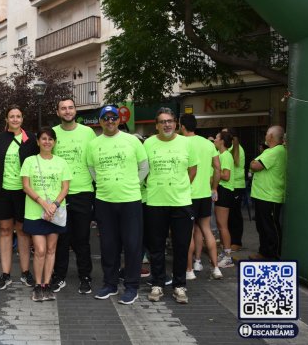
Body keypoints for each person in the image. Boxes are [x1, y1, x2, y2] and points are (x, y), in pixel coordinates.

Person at [87, 105, 148, 303]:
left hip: (130, 200)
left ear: (119, 120)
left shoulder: (132, 140)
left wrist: (132, 183)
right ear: (101, 121)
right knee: (108, 245)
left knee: (132, 245)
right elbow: (92, 169)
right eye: (106, 118)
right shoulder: (93, 144)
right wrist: (106, 184)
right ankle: (110, 284)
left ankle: (131, 286)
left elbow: (144, 166)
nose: (110, 121)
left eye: (114, 118)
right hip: (104, 200)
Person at [145, 107, 197, 304]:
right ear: (156, 125)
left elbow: (193, 170)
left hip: (181, 202)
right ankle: (157, 284)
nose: (166, 124)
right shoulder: (148, 144)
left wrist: (179, 188)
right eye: (162, 121)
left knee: (181, 246)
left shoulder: (186, 143)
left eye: (170, 121)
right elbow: (144, 170)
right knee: (156, 246)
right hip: (155, 201)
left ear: (175, 123)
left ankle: (179, 286)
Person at [0, 105, 38, 290]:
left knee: (24, 231)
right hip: (2, 192)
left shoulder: (30, 139)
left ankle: (25, 273)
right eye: (12, 116)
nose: (15, 119)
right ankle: (6, 274)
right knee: (5, 230)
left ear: (22, 119)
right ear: (7, 119)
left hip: (24, 192)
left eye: (18, 116)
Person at [50, 98, 96, 295]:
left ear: (75, 110)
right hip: (58, 195)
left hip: (83, 191)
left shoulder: (88, 133)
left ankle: (85, 276)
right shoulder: (52, 133)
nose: (67, 111)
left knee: (82, 239)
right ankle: (59, 276)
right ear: (58, 112)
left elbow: (95, 160)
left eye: (70, 108)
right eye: (63, 108)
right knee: (61, 238)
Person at [21, 127, 71, 302]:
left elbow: (65, 187)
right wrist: (43, 203)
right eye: (43, 139)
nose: (47, 142)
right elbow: (26, 186)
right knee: (40, 250)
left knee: (51, 249)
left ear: (54, 142)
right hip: (36, 212)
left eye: (50, 139)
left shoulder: (62, 162)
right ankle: (37, 284)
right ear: (38, 141)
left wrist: (54, 206)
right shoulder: (29, 161)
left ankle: (46, 285)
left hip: (55, 213)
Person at [179, 114, 222, 280]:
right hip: (205, 193)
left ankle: (189, 270)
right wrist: (214, 188)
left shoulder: (181, 142)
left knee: (187, 232)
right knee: (205, 230)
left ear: (182, 126)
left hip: (187, 195)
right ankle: (215, 267)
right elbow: (217, 168)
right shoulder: (208, 143)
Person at [249, 125, 287, 260]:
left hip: (270, 196)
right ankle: (264, 252)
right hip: (263, 195)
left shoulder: (276, 151)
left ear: (270, 136)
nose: (265, 136)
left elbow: (255, 165)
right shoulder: (270, 151)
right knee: (262, 226)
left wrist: (254, 162)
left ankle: (274, 254)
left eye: (266, 134)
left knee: (270, 227)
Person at [214, 131, 235, 269]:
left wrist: (215, 172)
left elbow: (226, 176)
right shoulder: (221, 155)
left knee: (223, 225)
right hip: (222, 190)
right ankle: (223, 253)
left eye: (216, 138)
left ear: (222, 141)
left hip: (225, 191)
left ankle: (228, 256)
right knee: (220, 225)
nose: (214, 140)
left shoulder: (226, 155)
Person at [222, 128, 246, 252]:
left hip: (236, 185)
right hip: (232, 185)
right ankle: (230, 240)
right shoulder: (231, 149)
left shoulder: (235, 149)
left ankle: (236, 241)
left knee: (235, 215)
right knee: (230, 215)